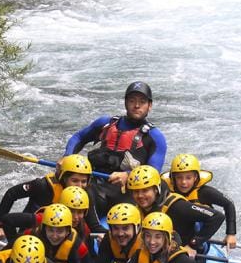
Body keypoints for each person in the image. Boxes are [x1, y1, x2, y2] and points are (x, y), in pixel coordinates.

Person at [63, 81, 167, 218]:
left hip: (127, 193)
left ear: (150, 106)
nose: (137, 106)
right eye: (132, 101)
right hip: (96, 185)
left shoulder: (155, 137)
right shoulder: (106, 123)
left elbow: (154, 173)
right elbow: (78, 137)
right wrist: (67, 158)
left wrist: (129, 175)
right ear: (125, 103)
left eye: (142, 102)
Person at [124, 164, 223, 253]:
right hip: (156, 251)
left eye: (145, 190)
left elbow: (217, 216)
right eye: (136, 192)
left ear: (156, 190)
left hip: (184, 258)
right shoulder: (136, 209)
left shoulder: (178, 206)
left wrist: (193, 245)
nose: (140, 196)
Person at [0, 154, 93, 240]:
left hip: (62, 231)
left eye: (83, 181)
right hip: (33, 228)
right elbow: (11, 193)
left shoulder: (84, 193)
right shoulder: (42, 186)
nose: (79, 186)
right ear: (64, 178)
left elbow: (91, 222)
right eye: (74, 180)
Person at [163, 153, 238, 250]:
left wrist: (231, 233)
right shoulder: (166, 191)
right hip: (176, 234)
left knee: (197, 221)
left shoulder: (205, 192)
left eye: (188, 177)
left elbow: (229, 204)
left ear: (195, 177)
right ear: (173, 178)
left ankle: (197, 247)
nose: (184, 182)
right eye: (179, 177)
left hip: (198, 239)